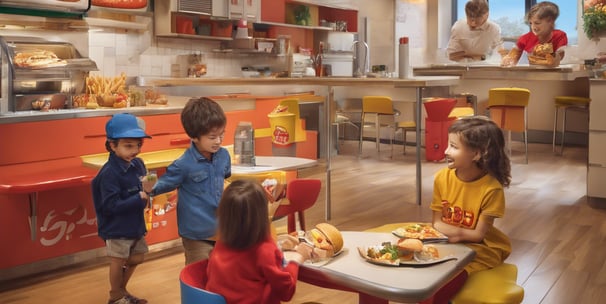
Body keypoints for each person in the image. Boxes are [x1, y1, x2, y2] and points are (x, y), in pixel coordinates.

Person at [426, 116, 512, 304]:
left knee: (443, 287)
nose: (446, 151)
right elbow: (436, 222)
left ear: (476, 154)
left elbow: (477, 236)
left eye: (454, 147)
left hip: (480, 249)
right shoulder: (442, 178)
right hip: (447, 240)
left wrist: (453, 235)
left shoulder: (491, 189)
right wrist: (453, 235)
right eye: (448, 144)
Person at [149, 97, 231, 265]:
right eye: (212, 137)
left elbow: (225, 180)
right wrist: (145, 187)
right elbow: (158, 187)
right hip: (195, 234)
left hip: (222, 229)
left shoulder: (224, 156)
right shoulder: (183, 165)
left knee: (222, 273)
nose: (218, 141)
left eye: (221, 135)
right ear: (194, 137)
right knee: (198, 276)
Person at [204, 179, 312, 304]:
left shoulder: (221, 243)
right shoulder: (264, 250)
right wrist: (297, 258)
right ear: (261, 214)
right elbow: (286, 292)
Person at [92, 113, 156, 304]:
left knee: (137, 257)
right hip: (116, 227)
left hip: (134, 223)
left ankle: (121, 291)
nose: (135, 150)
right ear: (112, 145)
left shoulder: (138, 164)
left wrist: (149, 186)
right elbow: (110, 206)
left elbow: (145, 185)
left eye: (138, 145)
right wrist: (139, 196)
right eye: (128, 145)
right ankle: (116, 295)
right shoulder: (109, 174)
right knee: (118, 260)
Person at [501, 1, 567, 67]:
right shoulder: (525, 39)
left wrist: (554, 57)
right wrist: (507, 60)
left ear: (551, 22)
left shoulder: (560, 36)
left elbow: (560, 55)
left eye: (537, 23)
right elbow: (512, 59)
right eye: (531, 23)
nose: (533, 27)